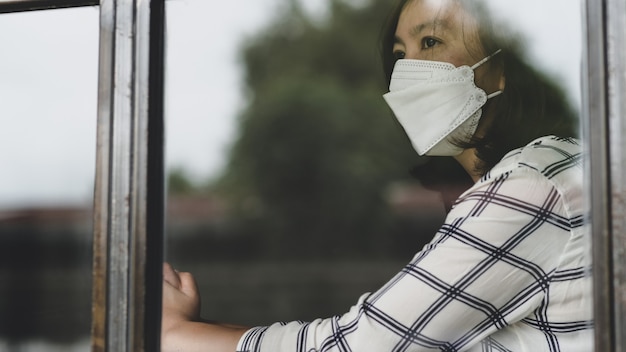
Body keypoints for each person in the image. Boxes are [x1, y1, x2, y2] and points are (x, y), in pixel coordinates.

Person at [161, 0, 593, 351]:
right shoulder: (555, 171)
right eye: (401, 55)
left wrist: (176, 335)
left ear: (502, 67)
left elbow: (364, 345)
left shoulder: (531, 191)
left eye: (431, 40)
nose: (408, 71)